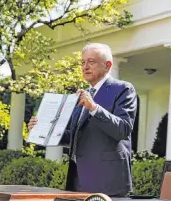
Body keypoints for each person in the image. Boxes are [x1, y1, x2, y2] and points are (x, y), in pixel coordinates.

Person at [28, 43, 137, 196]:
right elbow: (74, 137)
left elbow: (123, 129)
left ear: (107, 65)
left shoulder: (123, 89)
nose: (85, 67)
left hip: (107, 182)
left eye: (91, 62)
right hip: (77, 179)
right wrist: (43, 129)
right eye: (83, 62)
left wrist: (94, 108)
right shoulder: (82, 95)